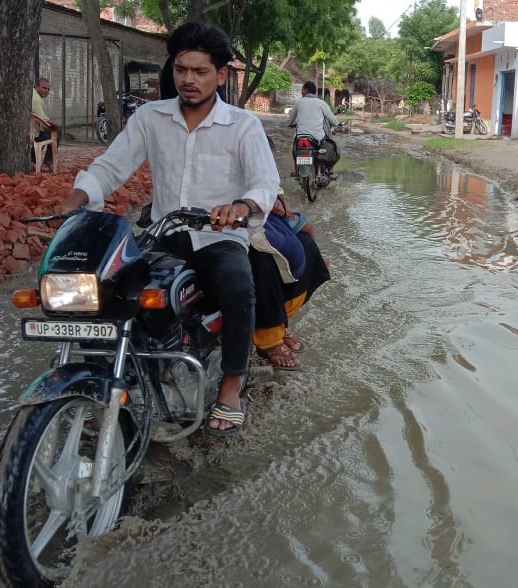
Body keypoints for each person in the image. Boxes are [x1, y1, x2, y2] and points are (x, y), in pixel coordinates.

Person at [57, 21, 280, 438]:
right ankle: (110, 375)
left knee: (238, 286)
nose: (189, 80)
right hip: (164, 234)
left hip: (218, 237)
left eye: (200, 72)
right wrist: (78, 197)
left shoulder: (243, 125)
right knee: (111, 286)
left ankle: (232, 383)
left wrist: (241, 206)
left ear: (221, 75)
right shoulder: (150, 117)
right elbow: (111, 166)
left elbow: (265, 184)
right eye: (182, 70)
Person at [249, 189, 331, 370]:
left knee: (306, 238)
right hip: (227, 219)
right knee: (263, 257)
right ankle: (268, 335)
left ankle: (279, 322)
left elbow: (264, 173)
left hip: (257, 210)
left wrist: (278, 197)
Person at [287, 81, 340, 176]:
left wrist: (292, 124)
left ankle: (296, 170)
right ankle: (328, 170)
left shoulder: (298, 102)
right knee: (328, 147)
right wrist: (336, 124)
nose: (301, 92)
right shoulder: (321, 103)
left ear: (306, 90)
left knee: (295, 150)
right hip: (317, 137)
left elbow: (290, 121)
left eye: (302, 89)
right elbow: (334, 121)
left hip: (301, 137)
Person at [31, 77, 58, 170]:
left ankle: (33, 160)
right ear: (37, 87)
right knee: (56, 133)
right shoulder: (37, 99)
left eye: (48, 89)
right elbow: (42, 119)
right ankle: (47, 163)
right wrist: (53, 126)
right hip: (32, 131)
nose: (46, 91)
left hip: (32, 128)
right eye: (44, 88)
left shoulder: (34, 94)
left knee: (46, 132)